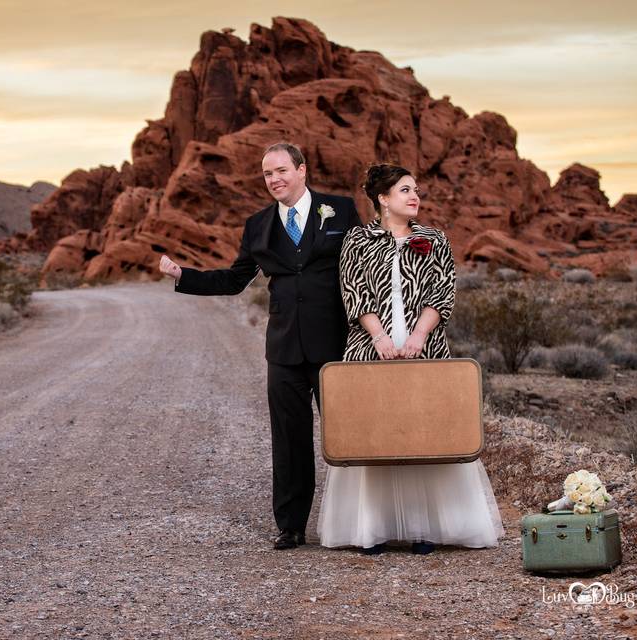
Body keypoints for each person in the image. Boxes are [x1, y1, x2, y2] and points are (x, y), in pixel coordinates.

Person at [158, 142, 361, 550]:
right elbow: (235, 280)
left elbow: (362, 265)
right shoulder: (257, 226)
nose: (275, 179)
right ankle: (291, 525)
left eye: (282, 170)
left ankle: (358, 522)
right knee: (289, 438)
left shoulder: (340, 210)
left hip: (334, 344)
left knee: (349, 435)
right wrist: (185, 275)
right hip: (283, 348)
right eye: (268, 174)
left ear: (302, 170)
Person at [317, 163, 504, 554]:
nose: (414, 196)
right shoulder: (357, 240)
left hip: (425, 347)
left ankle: (425, 528)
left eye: (415, 189)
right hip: (372, 346)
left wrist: (419, 335)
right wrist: (380, 337)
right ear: (383, 199)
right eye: (404, 190)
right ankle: (373, 529)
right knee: (374, 432)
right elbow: (354, 293)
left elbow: (443, 292)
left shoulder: (434, 239)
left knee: (424, 428)